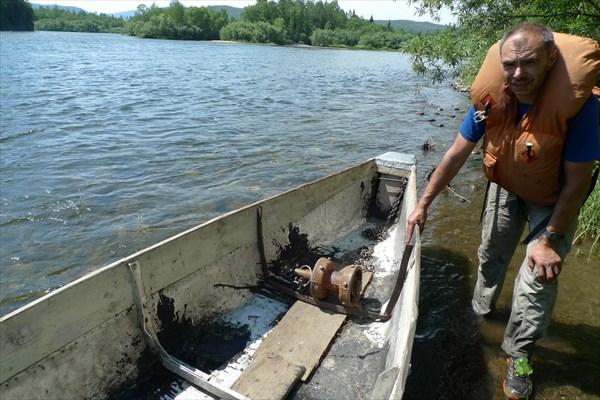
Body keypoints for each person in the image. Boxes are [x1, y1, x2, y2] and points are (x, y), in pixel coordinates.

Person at [405, 23, 600, 400]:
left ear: (551, 60)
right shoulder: (492, 98)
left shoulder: (580, 108)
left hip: (553, 199)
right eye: (509, 64)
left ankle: (519, 354)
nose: (517, 74)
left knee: (538, 277)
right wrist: (423, 205)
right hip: (506, 185)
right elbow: (456, 153)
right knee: (491, 254)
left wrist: (550, 240)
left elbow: (577, 183)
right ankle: (480, 312)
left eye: (528, 63)